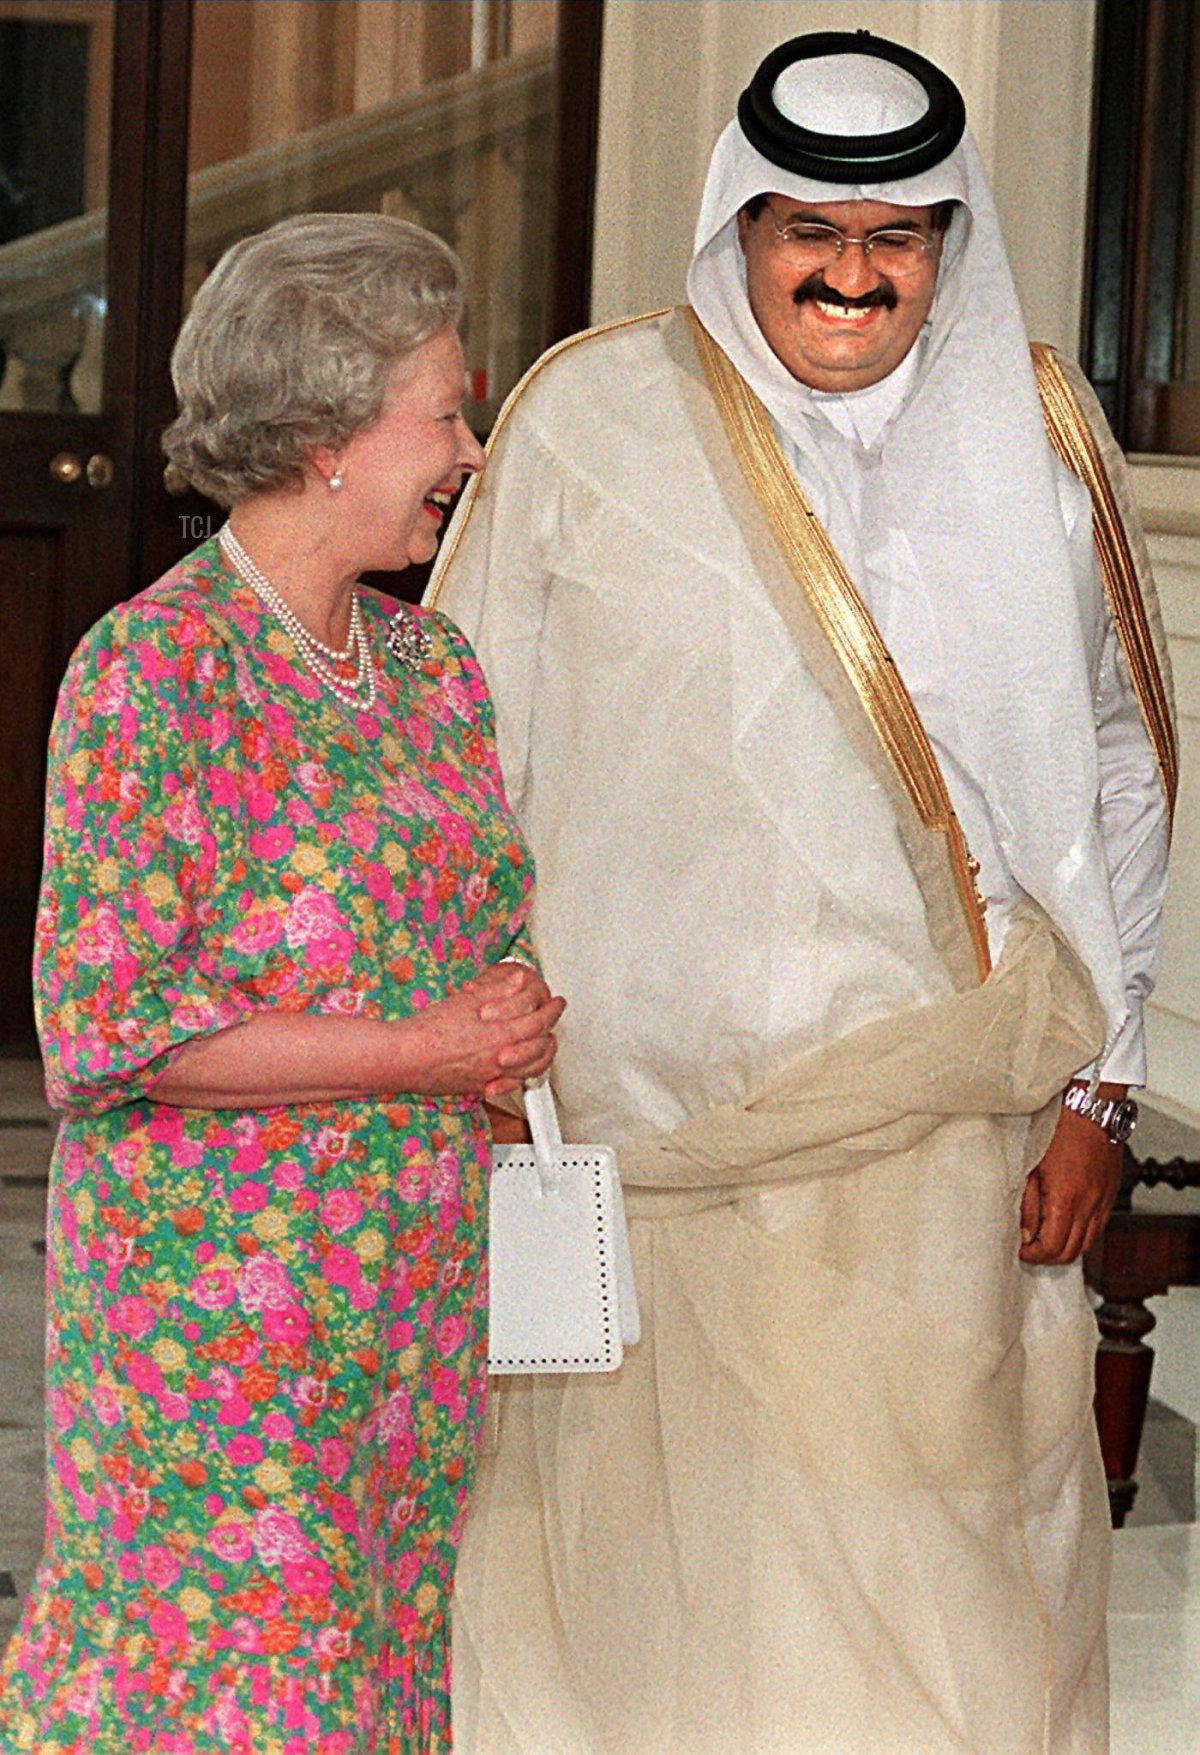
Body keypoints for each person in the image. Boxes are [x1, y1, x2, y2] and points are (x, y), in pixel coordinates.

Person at [427, 30, 1175, 1755]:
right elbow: (465, 765)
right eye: (807, 235)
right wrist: (473, 1056)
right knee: (642, 1601)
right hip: (636, 1137)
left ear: (948, 244)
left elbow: (1122, 782)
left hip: (947, 1145)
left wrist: (1099, 1090)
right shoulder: (590, 418)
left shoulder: (1044, 441)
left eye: (895, 240)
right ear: (736, 233)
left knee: (937, 1605)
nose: (850, 277)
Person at [0, 212, 564, 1755]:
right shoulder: (152, 672)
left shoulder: (430, 666)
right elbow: (109, 1036)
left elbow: (474, 924)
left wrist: (503, 1021)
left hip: (407, 1297)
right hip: (218, 1320)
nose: (468, 441)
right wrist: (432, 1047)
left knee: (377, 1679)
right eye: (444, 408)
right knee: (233, 1695)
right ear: (323, 431)